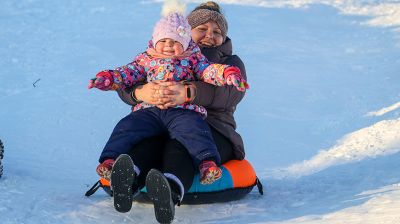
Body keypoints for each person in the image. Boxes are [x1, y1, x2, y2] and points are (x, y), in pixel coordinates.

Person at [89, 1, 248, 221]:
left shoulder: (229, 62)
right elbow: (128, 78)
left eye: (217, 32)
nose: (210, 35)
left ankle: (169, 191)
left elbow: (229, 93)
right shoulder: (158, 53)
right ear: (186, 31)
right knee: (148, 143)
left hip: (212, 129)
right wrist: (142, 93)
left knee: (179, 146)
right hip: (159, 119)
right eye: (202, 29)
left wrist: (189, 92)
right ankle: (126, 182)